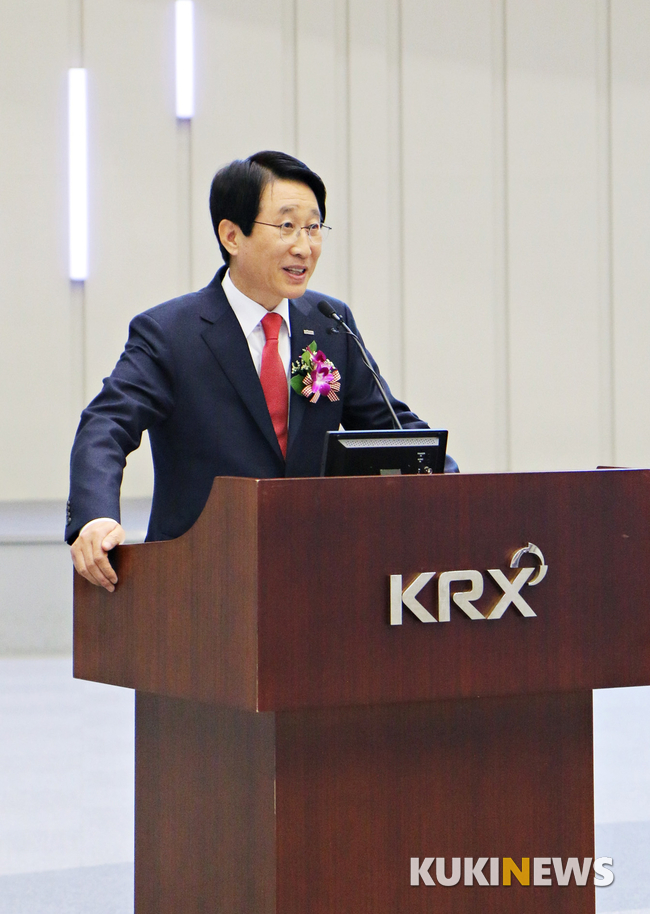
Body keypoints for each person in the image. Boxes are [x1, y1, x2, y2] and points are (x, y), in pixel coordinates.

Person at [67, 150, 455, 591]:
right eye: (286, 226)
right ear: (232, 236)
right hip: (200, 580)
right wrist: (95, 516)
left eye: (313, 227)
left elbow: (389, 428)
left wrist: (457, 484)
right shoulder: (170, 333)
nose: (304, 247)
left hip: (315, 576)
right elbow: (107, 424)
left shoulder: (329, 324)